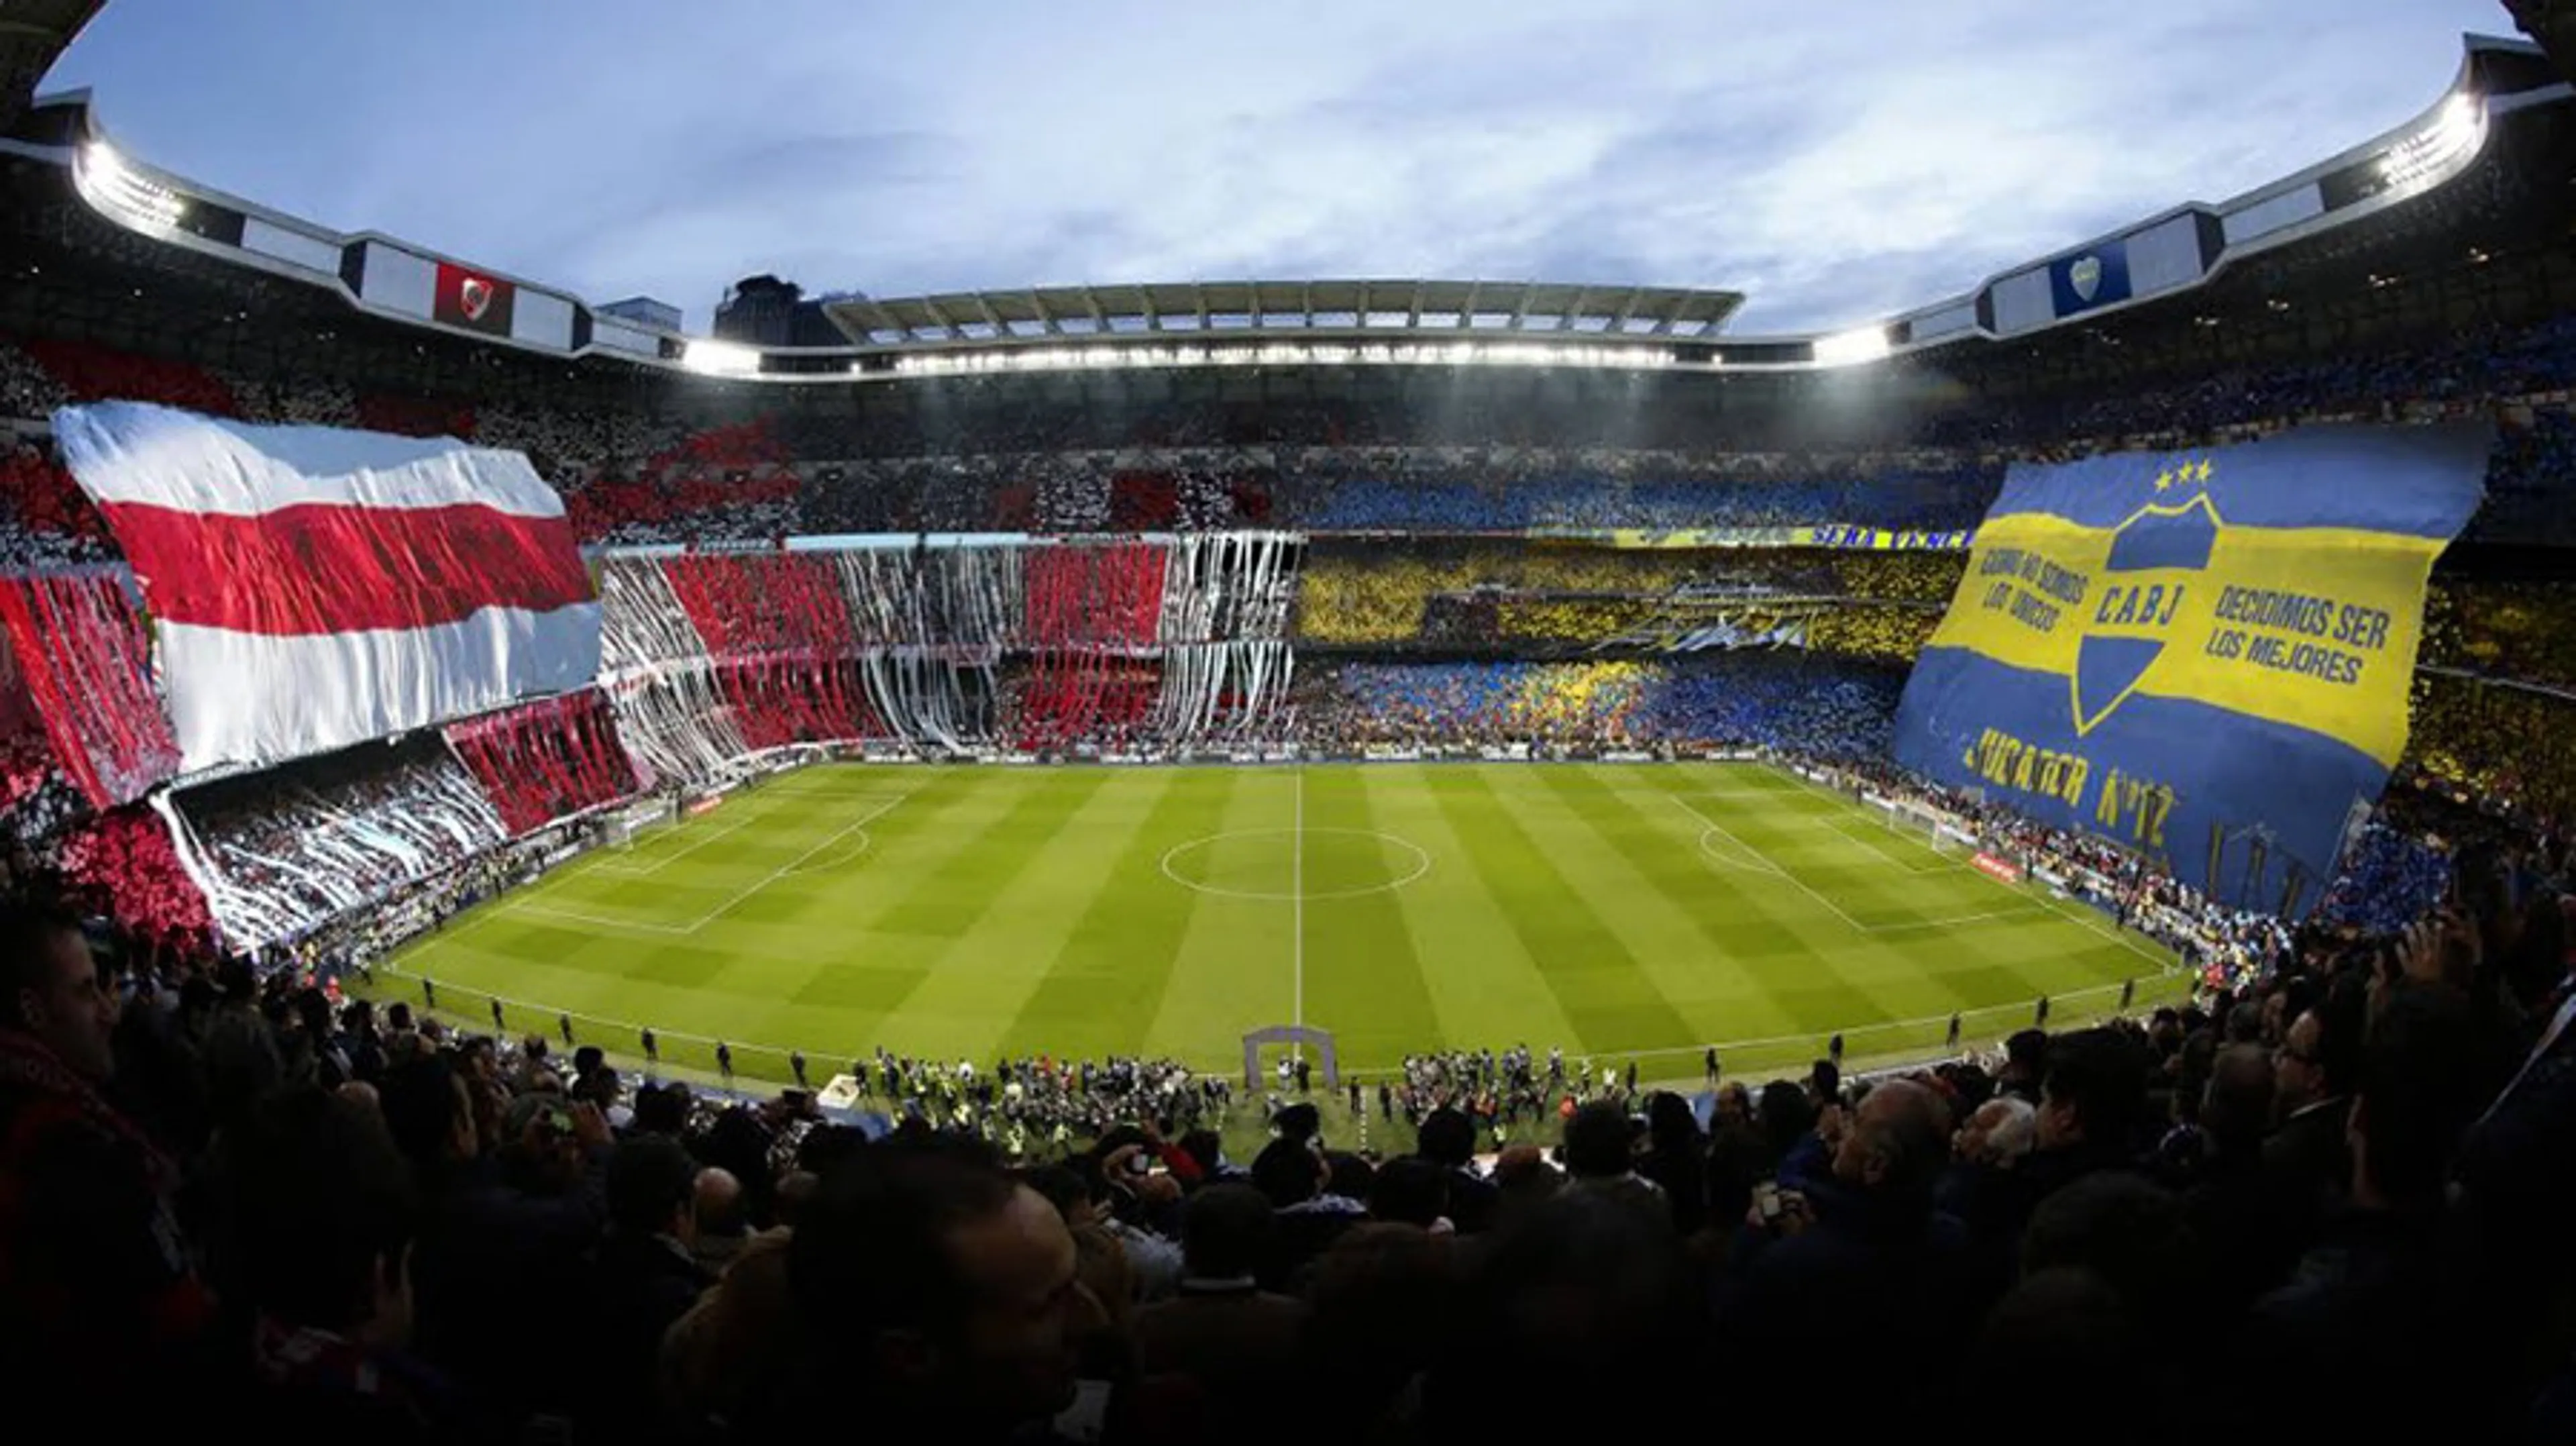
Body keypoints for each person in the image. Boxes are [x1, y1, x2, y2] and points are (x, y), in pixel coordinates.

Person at [0, 903, 214, 1425]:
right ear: (32, 1010)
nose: (108, 1009)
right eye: (85, 990)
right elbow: (182, 1332)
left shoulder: (52, 1114)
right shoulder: (72, 1153)